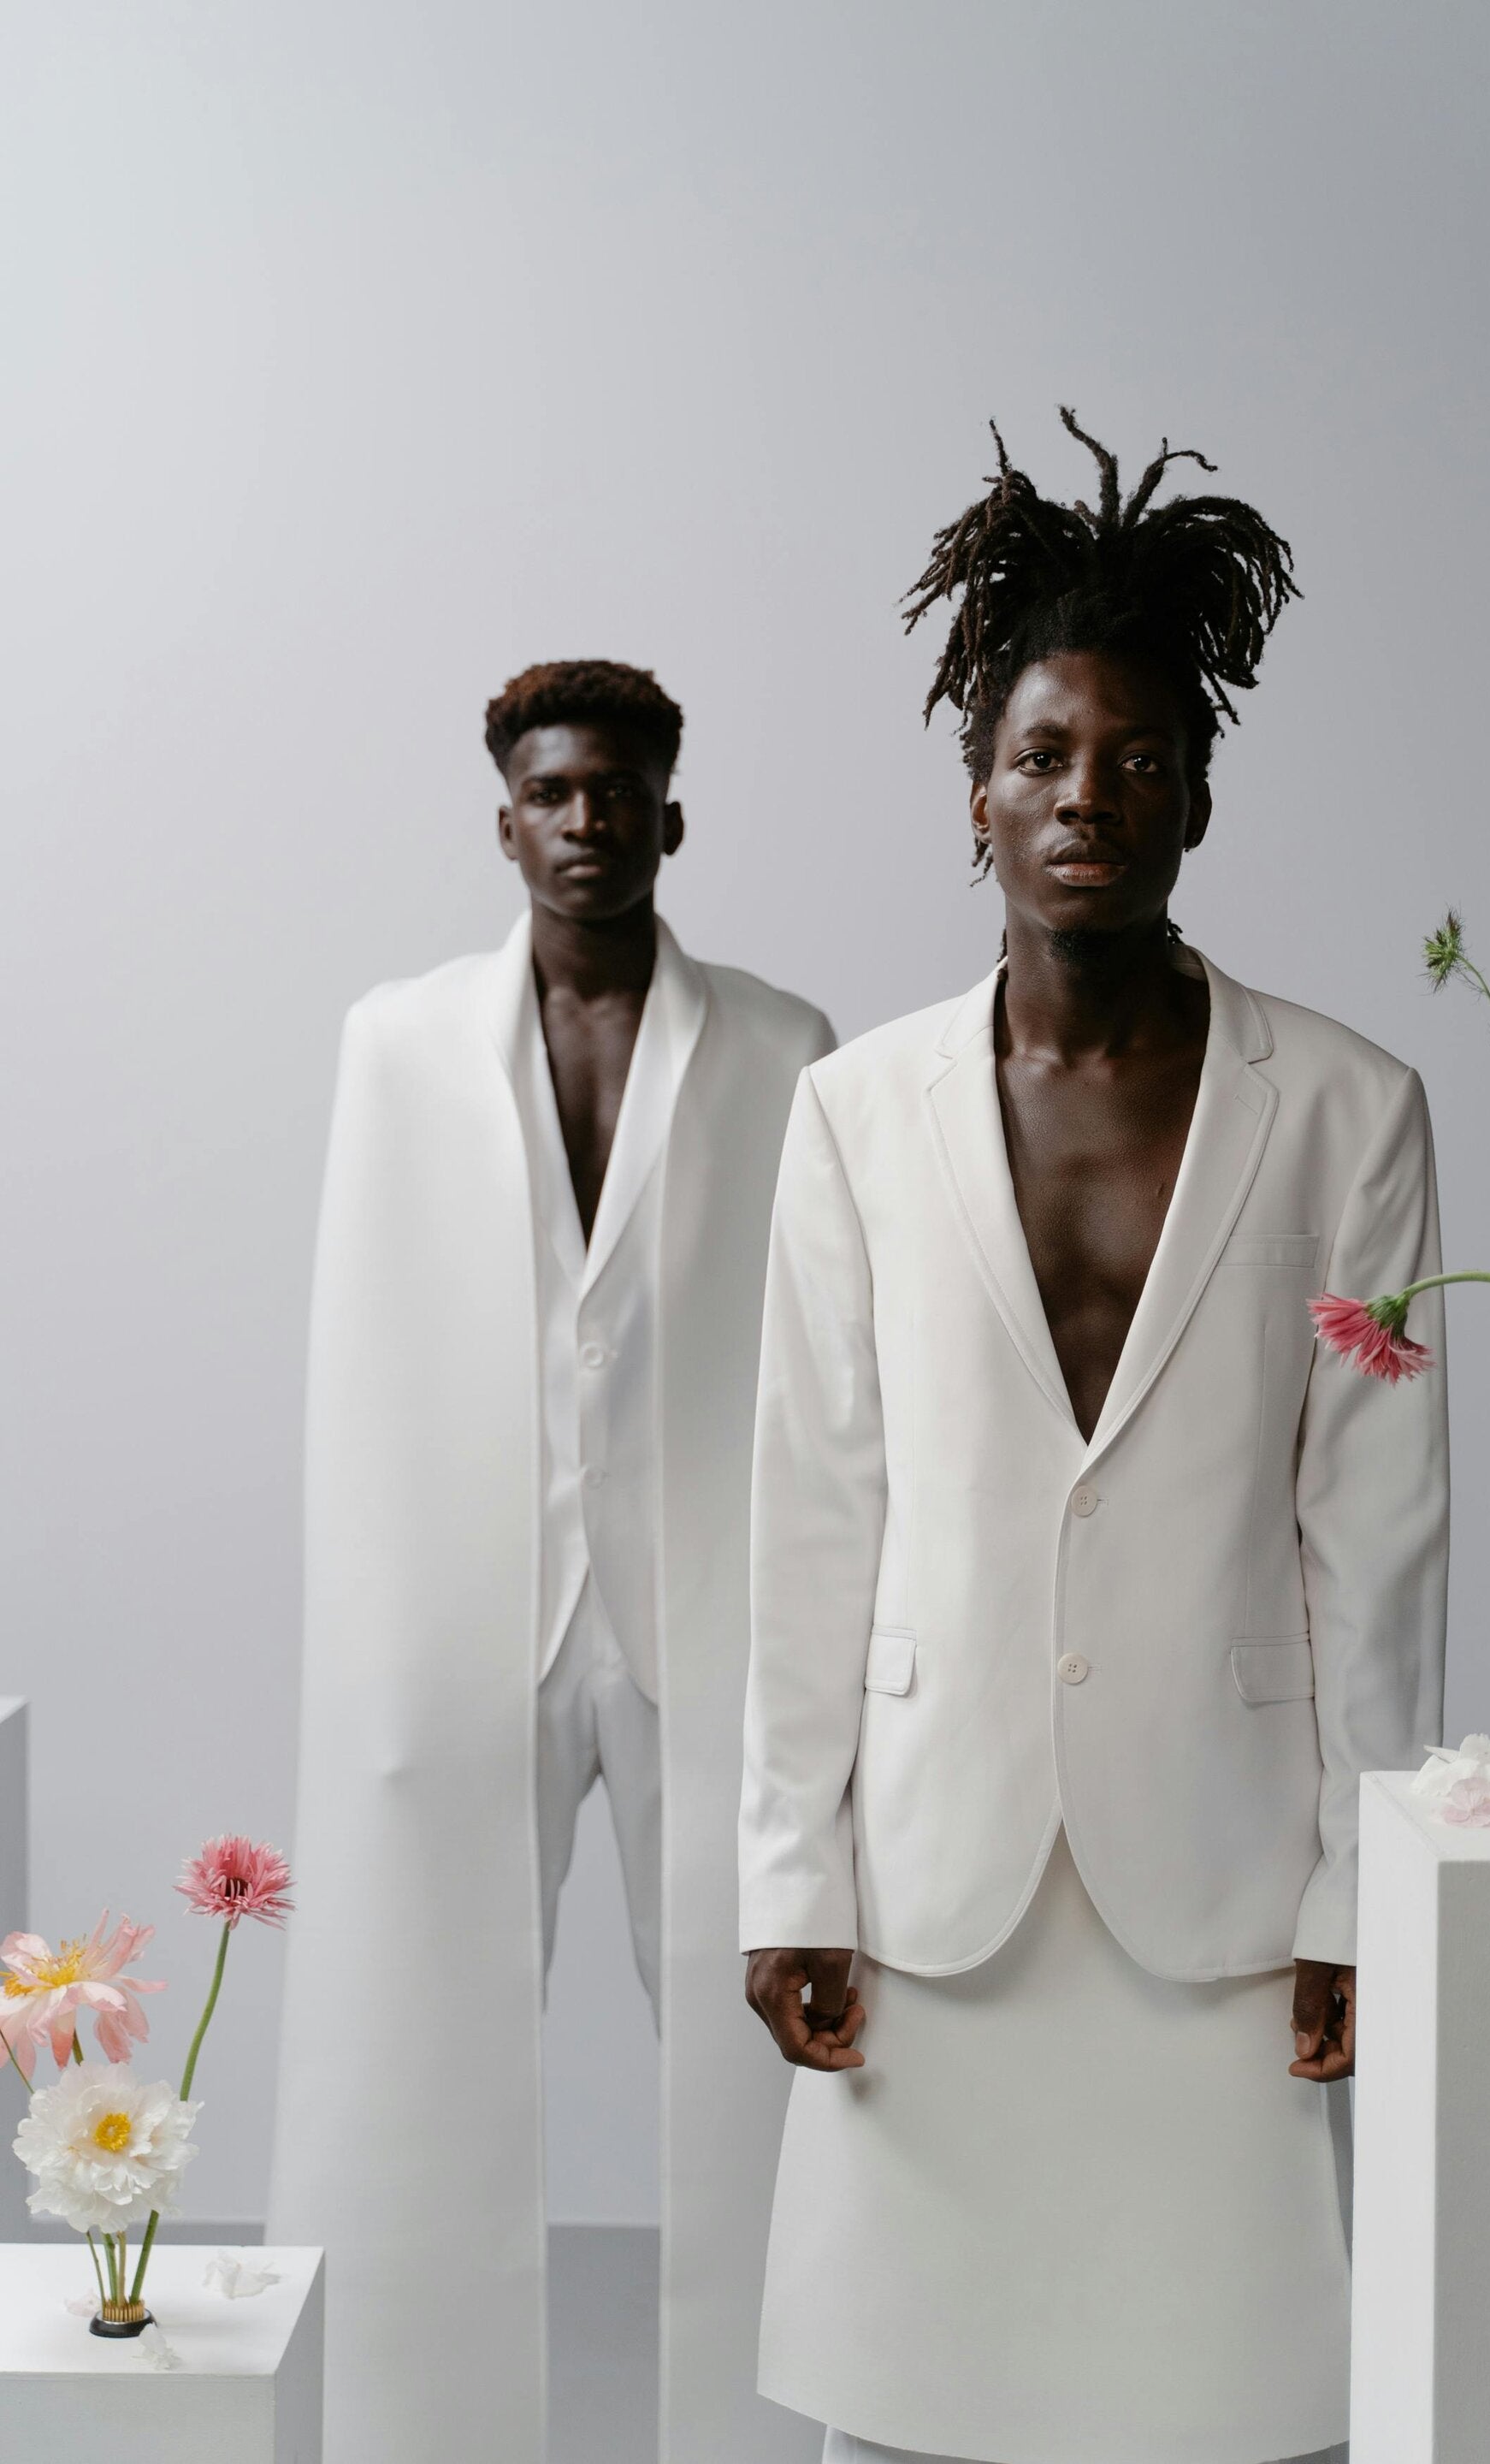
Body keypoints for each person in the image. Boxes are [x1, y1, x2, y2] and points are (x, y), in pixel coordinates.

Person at [741, 415, 1448, 2464]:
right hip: (933, 1873)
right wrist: (788, 1862)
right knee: (904, 2406)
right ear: (978, 793)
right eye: (1046, 756)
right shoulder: (855, 1113)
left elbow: (1378, 1532)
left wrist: (1362, 1893)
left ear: (1199, 795)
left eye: (1140, 759)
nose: (1089, 797)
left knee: (1225, 2407)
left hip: (1221, 1872)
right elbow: (813, 1509)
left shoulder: (1350, 1109)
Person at [269, 660, 832, 2464]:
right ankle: (396, 2431)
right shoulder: (398, 1041)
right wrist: (376, 1643)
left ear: (674, 814)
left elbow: (821, 1358)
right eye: (554, 793)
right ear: (504, 821)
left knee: (761, 2059)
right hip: (472, 1609)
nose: (588, 822)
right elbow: (362, 1345)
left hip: (710, 1607)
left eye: (619, 793)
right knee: (416, 2045)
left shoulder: (782, 1047)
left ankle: (782, 2425)